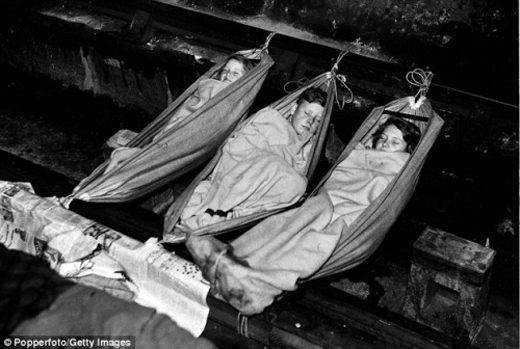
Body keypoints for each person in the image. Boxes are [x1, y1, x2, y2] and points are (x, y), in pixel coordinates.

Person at [184, 114, 422, 316]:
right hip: (326, 201)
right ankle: (232, 263)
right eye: (382, 138)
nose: (385, 145)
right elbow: (343, 174)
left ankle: (254, 287)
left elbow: (379, 194)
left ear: (407, 150)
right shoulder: (359, 155)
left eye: (395, 142)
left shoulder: (401, 169)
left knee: (310, 242)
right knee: (283, 226)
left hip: (351, 217)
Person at [179, 87, 327, 229]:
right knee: (273, 164)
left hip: (254, 202)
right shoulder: (270, 120)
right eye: (307, 113)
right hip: (236, 176)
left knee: (299, 184)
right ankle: (219, 211)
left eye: (317, 120)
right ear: (294, 109)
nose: (310, 121)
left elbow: (289, 184)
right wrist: (274, 160)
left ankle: (233, 214)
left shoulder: (309, 150)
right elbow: (235, 149)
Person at [104, 54, 253, 174]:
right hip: (182, 131)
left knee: (155, 160)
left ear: (245, 79)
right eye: (225, 71)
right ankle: (123, 156)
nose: (228, 75)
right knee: (156, 159)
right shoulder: (213, 86)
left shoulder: (238, 98)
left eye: (235, 73)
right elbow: (201, 109)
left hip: (191, 137)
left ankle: (126, 157)